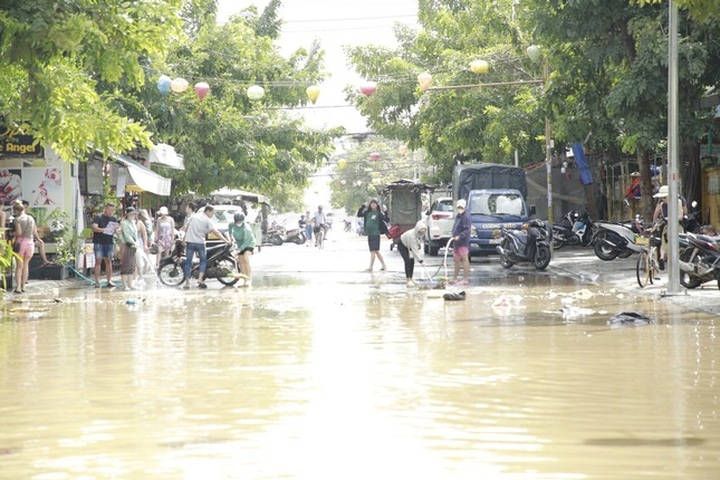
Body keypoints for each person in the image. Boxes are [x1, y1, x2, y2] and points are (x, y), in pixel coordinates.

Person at [181, 205, 228, 289]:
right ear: (208, 211)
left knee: (188, 262)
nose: (212, 215)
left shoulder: (193, 217)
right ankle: (199, 280)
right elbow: (215, 232)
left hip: (190, 242)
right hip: (200, 243)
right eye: (212, 213)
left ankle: (187, 282)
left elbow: (187, 229)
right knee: (203, 261)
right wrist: (226, 240)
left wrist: (184, 240)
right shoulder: (207, 220)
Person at [652, 185, 685, 270]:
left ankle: (667, 260)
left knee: (672, 245)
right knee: (666, 244)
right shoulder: (665, 204)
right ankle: (663, 259)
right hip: (671, 227)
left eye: (664, 197)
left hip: (674, 226)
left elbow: (679, 216)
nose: (663, 199)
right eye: (662, 198)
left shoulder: (677, 202)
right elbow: (680, 216)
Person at [91, 202, 119, 288]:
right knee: (98, 261)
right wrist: (104, 230)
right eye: (109, 210)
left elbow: (116, 229)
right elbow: (94, 227)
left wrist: (116, 230)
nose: (111, 212)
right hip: (99, 242)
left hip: (109, 242)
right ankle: (97, 281)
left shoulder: (114, 218)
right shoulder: (98, 217)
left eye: (112, 210)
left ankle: (109, 280)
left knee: (109, 261)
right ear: (105, 209)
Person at [12, 201, 36, 294]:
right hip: (30, 243)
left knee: (19, 266)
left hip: (21, 243)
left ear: (16, 211)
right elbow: (34, 231)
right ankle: (23, 286)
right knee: (26, 265)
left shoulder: (17, 219)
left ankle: (18, 287)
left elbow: (18, 233)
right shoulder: (31, 218)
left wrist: (11, 233)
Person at [228, 213, 256, 287]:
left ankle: (249, 279)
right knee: (240, 262)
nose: (238, 223)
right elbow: (230, 231)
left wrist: (239, 250)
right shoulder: (231, 225)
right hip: (239, 244)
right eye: (237, 222)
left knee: (246, 258)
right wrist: (231, 240)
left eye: (240, 222)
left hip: (249, 243)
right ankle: (244, 279)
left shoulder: (247, 228)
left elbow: (247, 241)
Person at [398, 220, 427, 286]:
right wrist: (421, 261)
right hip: (403, 245)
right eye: (421, 231)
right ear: (417, 229)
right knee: (407, 261)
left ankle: (411, 278)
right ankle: (408, 279)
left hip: (409, 245)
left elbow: (417, 246)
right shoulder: (412, 236)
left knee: (412, 261)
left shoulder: (419, 234)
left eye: (423, 231)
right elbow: (415, 251)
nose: (422, 233)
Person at [20, 199, 49, 266]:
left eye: (26, 207)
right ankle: (45, 261)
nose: (25, 209)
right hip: (23, 241)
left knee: (40, 243)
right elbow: (34, 230)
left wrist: (38, 239)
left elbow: (34, 230)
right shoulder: (17, 217)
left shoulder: (29, 217)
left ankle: (45, 261)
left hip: (27, 240)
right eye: (24, 208)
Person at [450, 199, 471, 285]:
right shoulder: (458, 216)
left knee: (464, 259)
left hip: (462, 242)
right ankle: (454, 278)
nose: (460, 208)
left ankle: (465, 279)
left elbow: (467, 230)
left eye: (461, 207)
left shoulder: (466, 216)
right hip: (456, 242)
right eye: (458, 207)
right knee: (456, 260)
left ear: (465, 207)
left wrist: (460, 236)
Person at [363, 199, 387, 271]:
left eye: (374, 203)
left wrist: (385, 211)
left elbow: (387, 219)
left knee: (373, 250)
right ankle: (384, 265)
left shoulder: (379, 213)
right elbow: (359, 214)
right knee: (375, 250)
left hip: (375, 234)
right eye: (371, 203)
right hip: (369, 234)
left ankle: (371, 267)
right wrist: (363, 206)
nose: (373, 205)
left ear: (377, 205)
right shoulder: (368, 213)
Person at [118, 207, 140, 290]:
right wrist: (134, 243)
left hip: (133, 246)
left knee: (132, 265)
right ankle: (125, 285)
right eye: (132, 214)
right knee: (126, 265)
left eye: (134, 214)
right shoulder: (124, 223)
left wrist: (136, 243)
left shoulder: (133, 222)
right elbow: (127, 236)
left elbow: (135, 235)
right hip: (127, 245)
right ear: (127, 214)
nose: (134, 215)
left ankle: (130, 284)